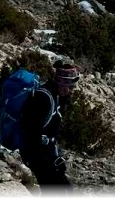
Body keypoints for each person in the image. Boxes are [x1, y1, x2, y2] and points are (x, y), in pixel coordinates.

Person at [18, 59, 80, 188]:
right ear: (62, 83)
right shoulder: (43, 98)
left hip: (47, 152)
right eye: (70, 86)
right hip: (37, 154)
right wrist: (47, 161)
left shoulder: (58, 96)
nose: (72, 90)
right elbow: (32, 132)